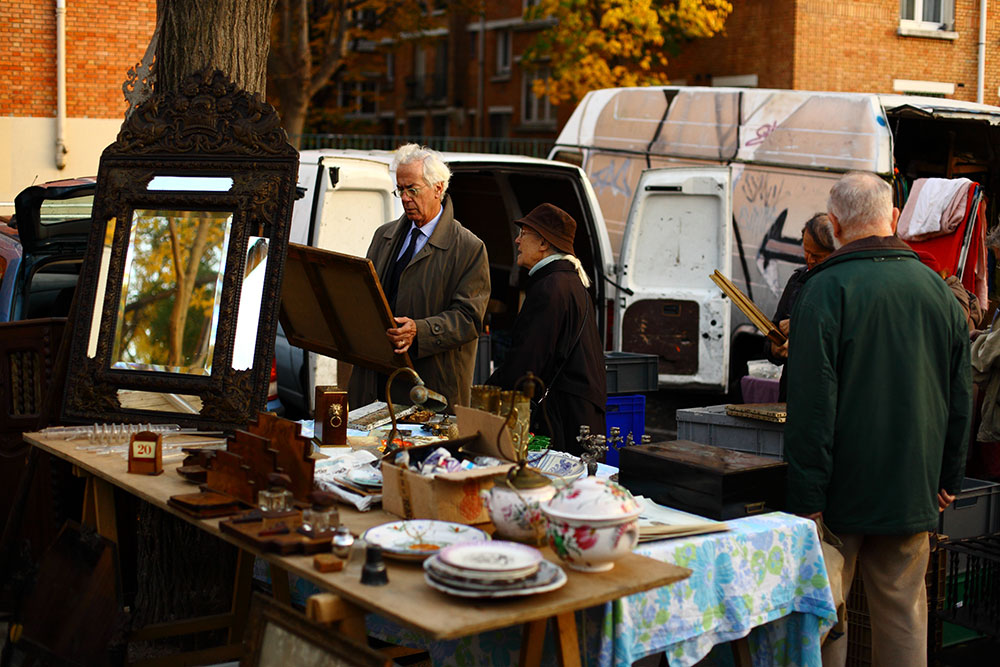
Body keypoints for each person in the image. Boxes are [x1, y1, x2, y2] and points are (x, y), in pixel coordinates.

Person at [784, 171, 971, 667]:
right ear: (892, 218)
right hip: (913, 488)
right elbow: (960, 398)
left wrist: (806, 496)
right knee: (905, 617)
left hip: (836, 495)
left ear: (835, 224)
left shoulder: (823, 291)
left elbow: (810, 405)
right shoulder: (938, 293)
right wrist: (947, 478)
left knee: (828, 620)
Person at [347, 144, 490, 410]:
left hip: (429, 389)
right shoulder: (384, 236)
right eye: (400, 189)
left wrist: (419, 331)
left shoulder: (469, 247)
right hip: (374, 381)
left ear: (438, 188)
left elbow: (469, 319)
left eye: (412, 189)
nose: (404, 197)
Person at [487, 204, 605, 455]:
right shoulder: (568, 282)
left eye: (524, 233)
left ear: (543, 243)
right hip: (578, 417)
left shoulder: (550, 288)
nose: (517, 240)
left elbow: (526, 364)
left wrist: (485, 395)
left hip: (563, 422)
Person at [764, 212, 836, 400]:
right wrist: (775, 349)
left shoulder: (843, 287)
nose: (809, 259)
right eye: (806, 251)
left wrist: (800, 327)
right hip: (793, 391)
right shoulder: (798, 280)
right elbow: (774, 330)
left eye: (817, 255)